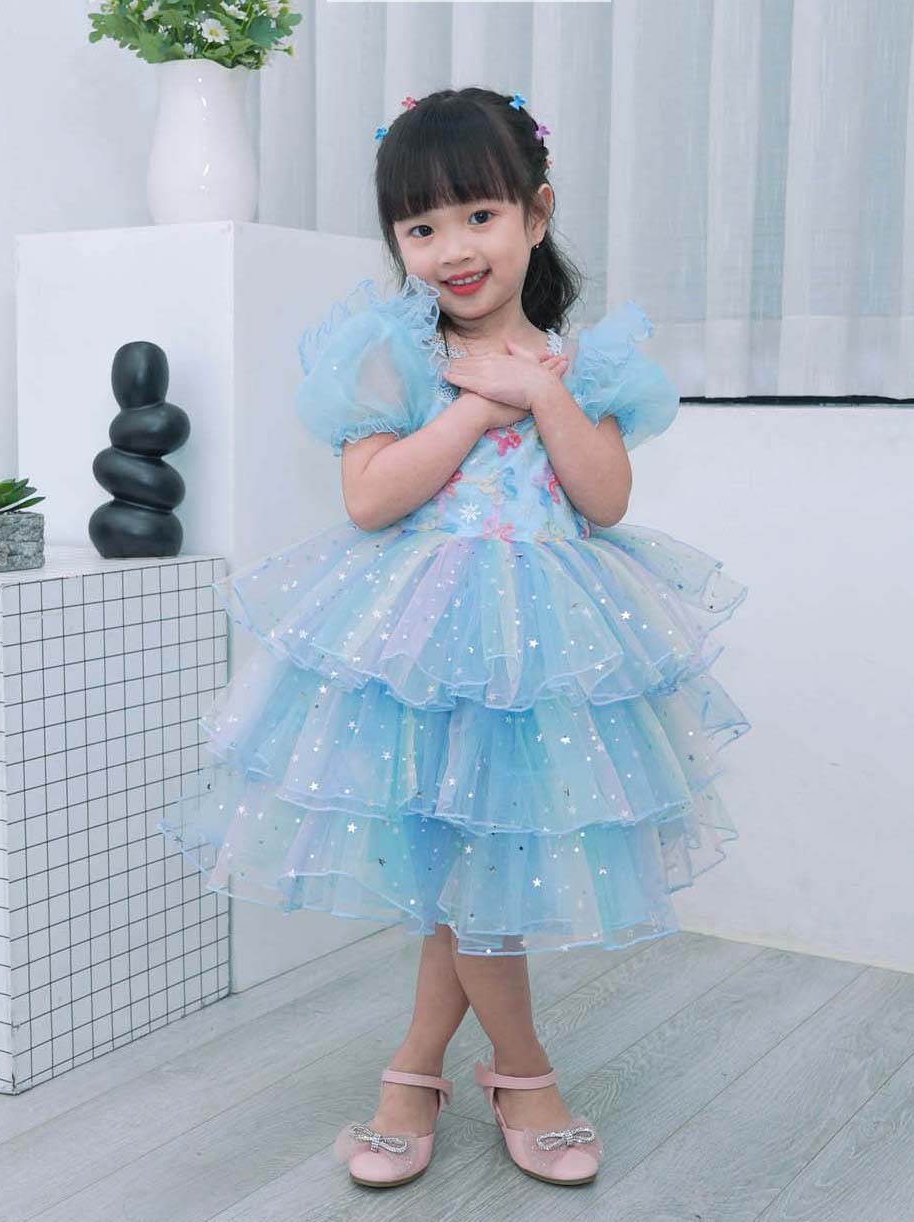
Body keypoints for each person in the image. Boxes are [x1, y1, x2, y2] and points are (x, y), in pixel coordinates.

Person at [157, 85, 751, 1190]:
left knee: (474, 871)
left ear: (536, 213)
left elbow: (603, 498)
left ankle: (417, 1076)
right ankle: (522, 1075)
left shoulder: (586, 367)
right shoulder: (391, 356)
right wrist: (476, 406)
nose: (453, 248)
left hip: (546, 654)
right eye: (421, 227)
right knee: (461, 870)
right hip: (417, 649)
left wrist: (537, 392)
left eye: (479, 215)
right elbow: (370, 499)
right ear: (397, 242)